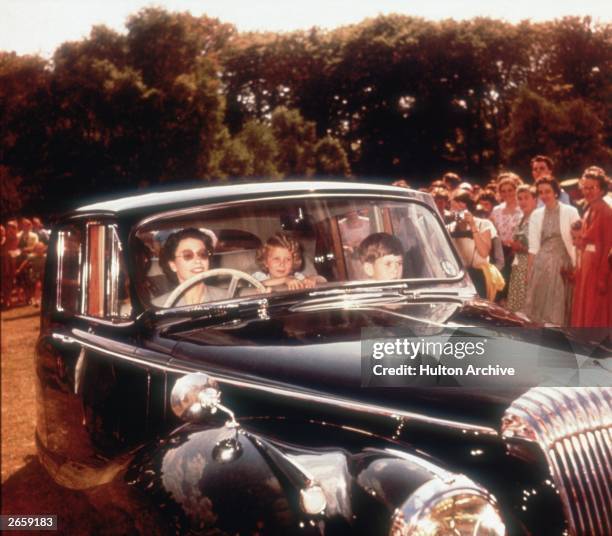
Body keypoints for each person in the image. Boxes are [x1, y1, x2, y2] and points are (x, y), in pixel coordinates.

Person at [524, 178, 580, 324]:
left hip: (563, 263)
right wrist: (529, 272)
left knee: (559, 304)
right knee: (539, 304)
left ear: (555, 192)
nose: (544, 195)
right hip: (542, 264)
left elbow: (578, 241)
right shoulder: (536, 215)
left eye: (547, 191)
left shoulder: (570, 211)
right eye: (541, 192)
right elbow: (533, 247)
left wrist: (578, 265)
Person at [571, 167, 612, 327]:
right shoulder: (588, 209)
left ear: (601, 189)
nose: (588, 191)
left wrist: (603, 276)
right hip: (586, 268)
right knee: (583, 307)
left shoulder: (606, 212)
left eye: (592, 187)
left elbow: (608, 248)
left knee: (596, 310)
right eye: (585, 187)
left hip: (598, 269)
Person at [447, 190, 502, 300]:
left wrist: (472, 226)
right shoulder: (449, 228)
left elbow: (484, 252)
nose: (457, 211)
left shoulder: (484, 224)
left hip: (479, 275)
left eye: (460, 208)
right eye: (453, 208)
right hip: (458, 277)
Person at [152, 228, 227, 307]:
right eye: (188, 255)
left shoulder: (228, 298)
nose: (198, 260)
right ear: (173, 265)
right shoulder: (158, 306)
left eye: (203, 254)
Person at [490, 174, 523, 302]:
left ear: (516, 190)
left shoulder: (522, 208)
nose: (507, 193)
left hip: (517, 251)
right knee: (501, 286)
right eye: (503, 191)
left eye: (510, 190)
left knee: (514, 287)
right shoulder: (496, 210)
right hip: (500, 251)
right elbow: (493, 232)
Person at [253, 232, 322, 290]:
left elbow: (323, 279)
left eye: (288, 259)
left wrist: (312, 278)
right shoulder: (259, 276)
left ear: (293, 262)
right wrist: (285, 279)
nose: (282, 264)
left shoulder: (296, 277)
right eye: (276, 259)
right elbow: (258, 284)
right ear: (265, 262)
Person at [506, 185, 537, 313]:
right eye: (520, 199)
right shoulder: (521, 218)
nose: (523, 202)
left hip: (530, 265)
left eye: (526, 198)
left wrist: (521, 247)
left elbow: (537, 247)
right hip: (518, 264)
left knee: (527, 304)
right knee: (516, 303)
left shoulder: (537, 218)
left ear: (535, 200)